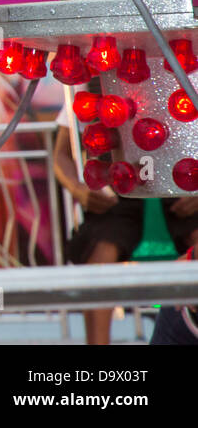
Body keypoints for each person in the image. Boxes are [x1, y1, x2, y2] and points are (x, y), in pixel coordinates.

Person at [52, 96, 198, 344]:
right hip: (119, 193)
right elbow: (61, 155)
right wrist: (80, 191)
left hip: (183, 189)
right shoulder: (90, 82)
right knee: (102, 253)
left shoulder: (188, 73)